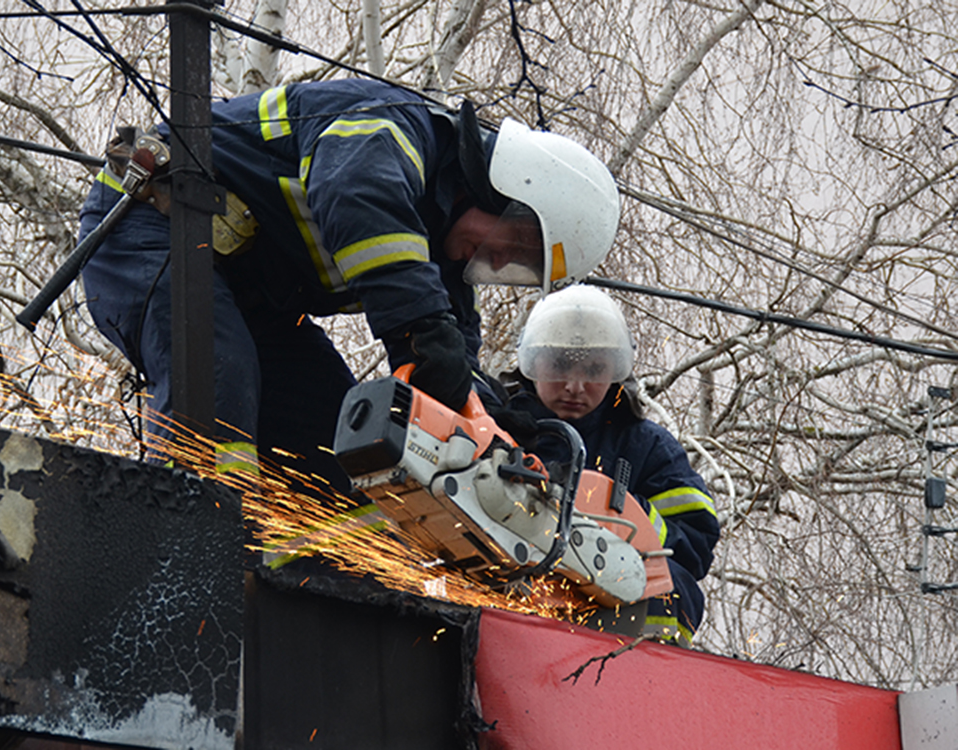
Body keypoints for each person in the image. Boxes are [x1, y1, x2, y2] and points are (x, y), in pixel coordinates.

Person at [78, 78, 620, 485]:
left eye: (517, 266)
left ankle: (298, 581)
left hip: (248, 296)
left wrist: (499, 424)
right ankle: (186, 539)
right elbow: (358, 197)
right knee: (221, 378)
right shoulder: (390, 127)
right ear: (498, 190)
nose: (499, 262)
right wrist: (419, 329)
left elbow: (449, 354)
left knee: (339, 444)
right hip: (150, 227)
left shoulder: (441, 246)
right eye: (514, 245)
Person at [500, 285, 719, 645]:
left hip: (614, 618)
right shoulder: (495, 428)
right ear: (531, 362)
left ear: (616, 370)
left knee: (672, 585)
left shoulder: (646, 446)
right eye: (559, 365)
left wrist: (625, 517)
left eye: (594, 369)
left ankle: (643, 674)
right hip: (512, 599)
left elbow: (695, 544)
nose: (575, 385)